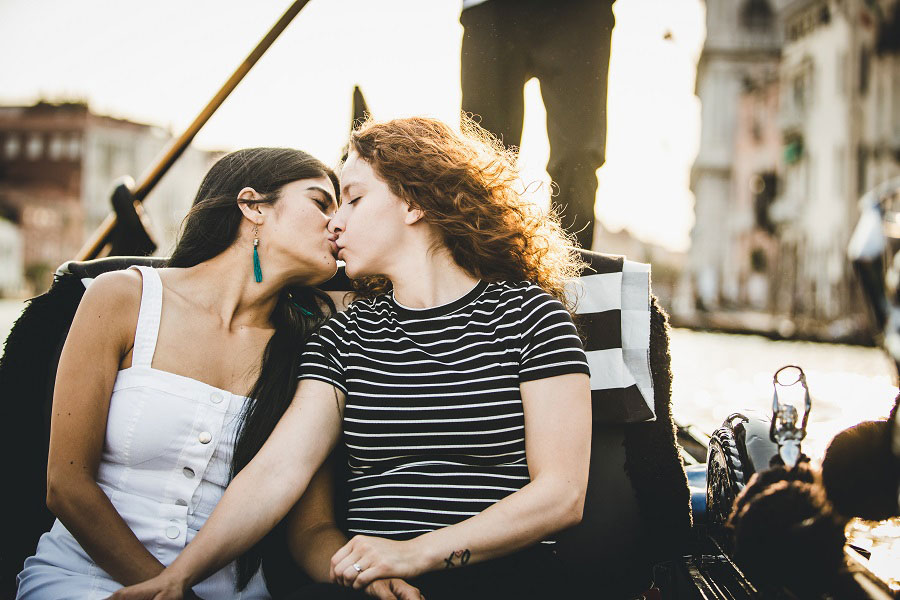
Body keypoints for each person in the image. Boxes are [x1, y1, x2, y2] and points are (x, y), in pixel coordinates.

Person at [110, 116, 593, 600]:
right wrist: (178, 579)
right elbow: (278, 470)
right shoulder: (343, 338)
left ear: (415, 202)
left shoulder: (531, 317)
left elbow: (561, 494)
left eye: (355, 200)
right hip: (374, 586)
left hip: (505, 578)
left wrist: (417, 552)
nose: (335, 222)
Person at [16, 148, 346, 599]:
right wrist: (172, 592)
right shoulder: (123, 298)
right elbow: (67, 485)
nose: (337, 222)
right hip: (83, 581)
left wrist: (369, 568)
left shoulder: (309, 349)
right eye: (321, 203)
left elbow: (313, 527)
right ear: (253, 206)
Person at [460, 0, 616, 250]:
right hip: (491, 8)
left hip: (581, 11)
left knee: (579, 155)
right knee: (483, 156)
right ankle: (481, 266)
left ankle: (572, 275)